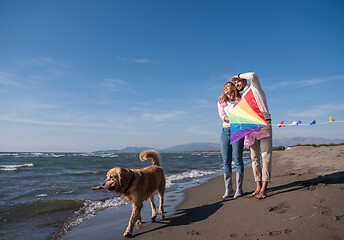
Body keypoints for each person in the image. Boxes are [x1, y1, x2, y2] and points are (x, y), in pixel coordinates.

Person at [219, 72, 272, 199]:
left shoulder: (255, 88)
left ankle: (264, 187)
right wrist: (223, 95)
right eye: (236, 83)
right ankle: (258, 186)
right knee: (254, 158)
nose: (237, 84)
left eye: (239, 82)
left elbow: (253, 75)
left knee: (265, 156)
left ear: (244, 81)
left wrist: (239, 75)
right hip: (250, 128)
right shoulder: (242, 97)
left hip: (264, 123)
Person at [217, 81, 245, 199]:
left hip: (237, 131)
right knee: (226, 161)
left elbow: (244, 114)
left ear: (233, 88)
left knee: (238, 159)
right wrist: (235, 117)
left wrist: (236, 118)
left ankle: (239, 189)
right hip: (225, 131)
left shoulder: (240, 100)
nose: (225, 89)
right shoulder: (221, 101)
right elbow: (224, 117)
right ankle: (229, 189)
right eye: (224, 87)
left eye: (228, 87)